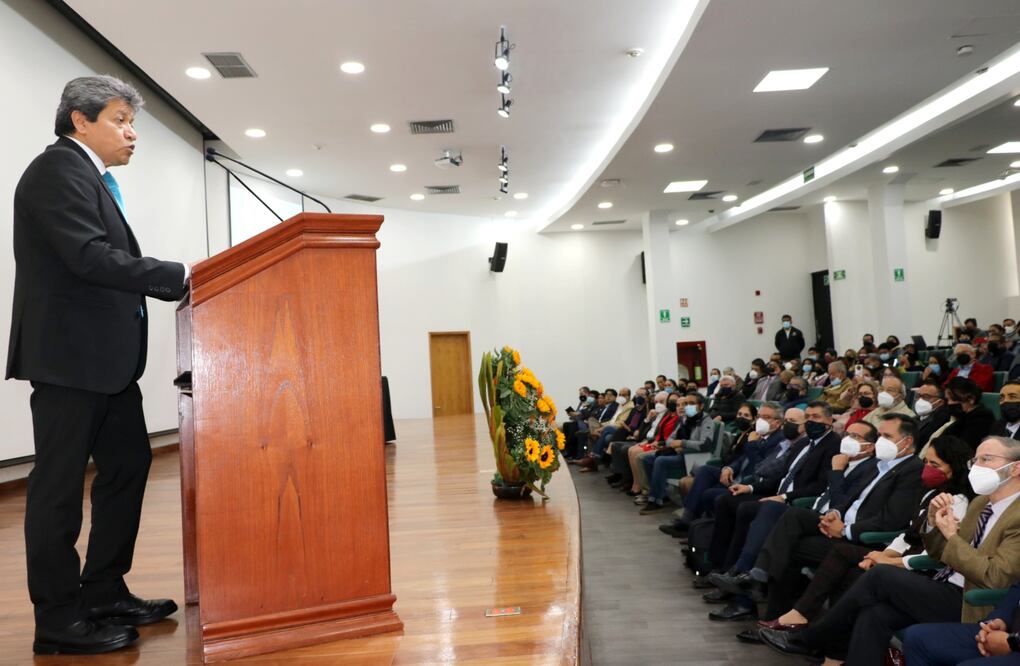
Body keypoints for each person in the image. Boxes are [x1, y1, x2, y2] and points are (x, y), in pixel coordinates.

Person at [6, 76, 188, 655]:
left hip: (106, 364)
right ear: (79, 120)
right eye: (119, 120)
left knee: (129, 467)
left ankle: (104, 589)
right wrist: (176, 275)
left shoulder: (93, 179)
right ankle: (57, 621)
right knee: (57, 489)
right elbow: (87, 256)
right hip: (69, 359)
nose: (132, 133)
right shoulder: (58, 169)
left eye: (132, 122)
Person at [761, 435, 1020, 665]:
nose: (976, 467)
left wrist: (951, 535)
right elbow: (941, 555)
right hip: (945, 585)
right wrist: (932, 523)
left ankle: (810, 637)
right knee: (874, 615)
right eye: (974, 460)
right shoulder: (980, 504)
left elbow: (993, 576)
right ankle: (814, 638)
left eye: (986, 459)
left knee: (880, 575)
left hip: (975, 602)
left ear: (1016, 467)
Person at [755, 435, 972, 636]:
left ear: (955, 468)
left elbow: (932, 554)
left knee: (848, 568)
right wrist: (882, 554)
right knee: (809, 547)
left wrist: (886, 560)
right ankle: (801, 623)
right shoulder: (931, 492)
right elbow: (907, 533)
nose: (926, 469)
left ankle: (810, 631)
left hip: (916, 569)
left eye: (935, 465)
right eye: (926, 462)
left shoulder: (956, 502)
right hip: (892, 554)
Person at [902, 581, 1020, 665]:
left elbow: (994, 574)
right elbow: (1017, 589)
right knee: (916, 638)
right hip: (1007, 630)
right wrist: (998, 620)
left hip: (1014, 643)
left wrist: (1012, 641)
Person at [942, 377, 997, 449]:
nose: (949, 403)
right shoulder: (960, 416)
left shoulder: (982, 420)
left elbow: (962, 449)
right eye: (947, 399)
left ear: (971, 399)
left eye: (954, 399)